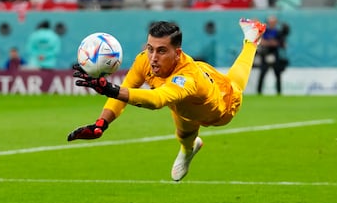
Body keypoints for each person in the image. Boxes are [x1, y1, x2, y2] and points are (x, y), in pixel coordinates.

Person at [67, 18, 266, 181]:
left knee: (235, 85)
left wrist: (109, 89)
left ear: (177, 53)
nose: (153, 57)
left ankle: (252, 40)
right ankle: (189, 149)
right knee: (184, 135)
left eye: (161, 51)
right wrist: (102, 123)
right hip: (182, 106)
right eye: (150, 48)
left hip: (220, 107)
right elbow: (125, 92)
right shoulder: (144, 60)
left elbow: (157, 99)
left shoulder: (187, 78)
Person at [256, 15, 290, 95]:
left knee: (277, 74)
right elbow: (261, 41)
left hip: (275, 54)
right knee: (262, 73)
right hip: (265, 54)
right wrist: (271, 43)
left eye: (273, 22)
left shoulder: (278, 32)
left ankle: (279, 92)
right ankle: (259, 92)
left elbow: (283, 44)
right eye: (270, 22)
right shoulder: (264, 31)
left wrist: (273, 43)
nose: (272, 24)